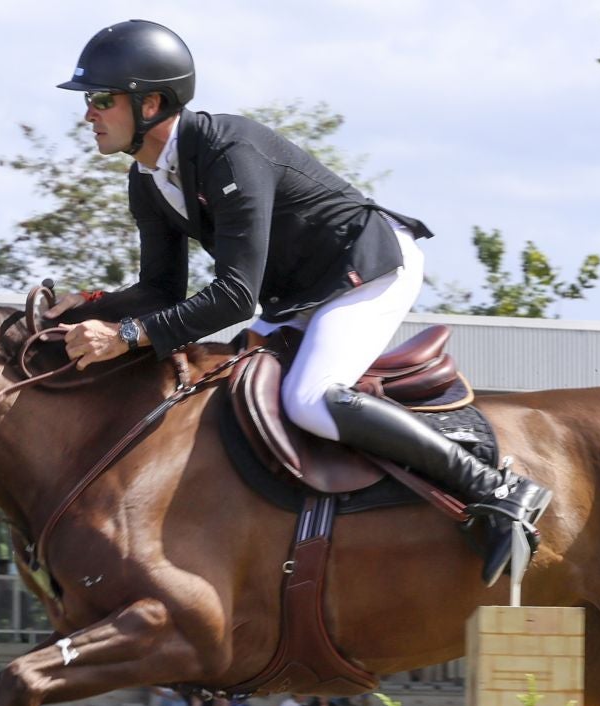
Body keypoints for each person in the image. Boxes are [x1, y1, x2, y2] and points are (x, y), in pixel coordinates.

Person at [55, 19, 546, 586]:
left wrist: (125, 336)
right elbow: (160, 291)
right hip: (299, 292)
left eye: (101, 99)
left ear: (151, 103)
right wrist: (87, 307)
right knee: (223, 392)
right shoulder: (147, 179)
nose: (88, 114)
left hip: (364, 268)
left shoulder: (226, 150)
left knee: (310, 398)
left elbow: (235, 295)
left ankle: (497, 488)